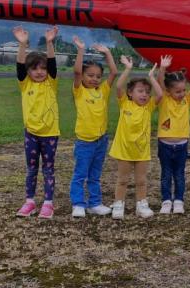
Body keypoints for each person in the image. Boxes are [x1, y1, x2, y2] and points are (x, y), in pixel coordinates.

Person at [13, 25, 61, 219]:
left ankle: (48, 203)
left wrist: (49, 42)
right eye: (35, 69)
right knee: (32, 169)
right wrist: (22, 45)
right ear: (29, 71)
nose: (40, 72)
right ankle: (30, 201)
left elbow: (52, 64)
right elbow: (19, 66)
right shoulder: (25, 84)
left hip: (50, 134)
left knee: (48, 169)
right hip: (31, 133)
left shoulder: (51, 82)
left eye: (42, 68)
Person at [108, 56, 163, 220]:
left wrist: (152, 77)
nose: (145, 95)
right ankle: (119, 204)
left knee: (141, 181)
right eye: (140, 91)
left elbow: (160, 94)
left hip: (141, 152)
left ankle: (141, 205)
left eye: (147, 92)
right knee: (122, 180)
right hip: (124, 150)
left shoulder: (149, 107)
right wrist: (128, 69)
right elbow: (118, 86)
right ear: (130, 93)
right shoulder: (124, 103)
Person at [69, 36, 117, 218]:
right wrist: (81, 49)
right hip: (85, 142)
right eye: (90, 75)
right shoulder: (79, 91)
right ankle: (78, 203)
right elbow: (76, 73)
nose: (95, 79)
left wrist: (107, 52)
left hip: (101, 140)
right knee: (80, 174)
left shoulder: (102, 91)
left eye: (98, 76)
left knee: (95, 174)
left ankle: (95, 203)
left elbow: (113, 73)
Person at [155, 54, 190, 214]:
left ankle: (178, 200)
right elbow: (159, 83)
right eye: (178, 91)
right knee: (166, 174)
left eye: (183, 90)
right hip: (165, 145)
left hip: (182, 145)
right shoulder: (164, 99)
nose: (182, 93)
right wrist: (162, 67)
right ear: (168, 91)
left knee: (179, 174)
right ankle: (166, 200)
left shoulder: (187, 101)